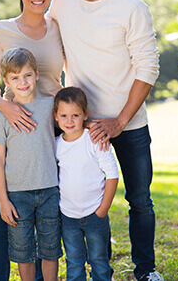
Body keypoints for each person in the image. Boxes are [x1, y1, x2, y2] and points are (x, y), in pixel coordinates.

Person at [0, 0, 163, 280]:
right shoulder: (47, 9)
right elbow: (2, 64)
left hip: (101, 124)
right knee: (43, 207)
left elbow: (146, 67)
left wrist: (118, 121)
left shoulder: (118, 9)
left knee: (128, 200)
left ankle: (137, 270)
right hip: (52, 125)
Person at [0, 0, 64, 281]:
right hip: (15, 128)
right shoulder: (0, 30)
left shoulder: (59, 26)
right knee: (5, 218)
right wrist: (6, 106)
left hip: (54, 129)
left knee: (51, 218)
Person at [0, 47, 62, 281]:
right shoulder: (3, 115)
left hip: (50, 190)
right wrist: (2, 199)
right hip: (17, 195)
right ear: (6, 81)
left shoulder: (50, 106)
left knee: (51, 249)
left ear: (37, 74)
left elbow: (73, 123)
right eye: (15, 77)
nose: (23, 82)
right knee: (23, 254)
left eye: (27, 75)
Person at [53, 87, 119, 280]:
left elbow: (112, 174)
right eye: (64, 115)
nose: (69, 120)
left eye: (75, 115)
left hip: (95, 214)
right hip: (68, 216)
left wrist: (103, 209)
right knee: (74, 261)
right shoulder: (56, 144)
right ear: (55, 116)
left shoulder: (95, 140)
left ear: (85, 115)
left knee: (99, 259)